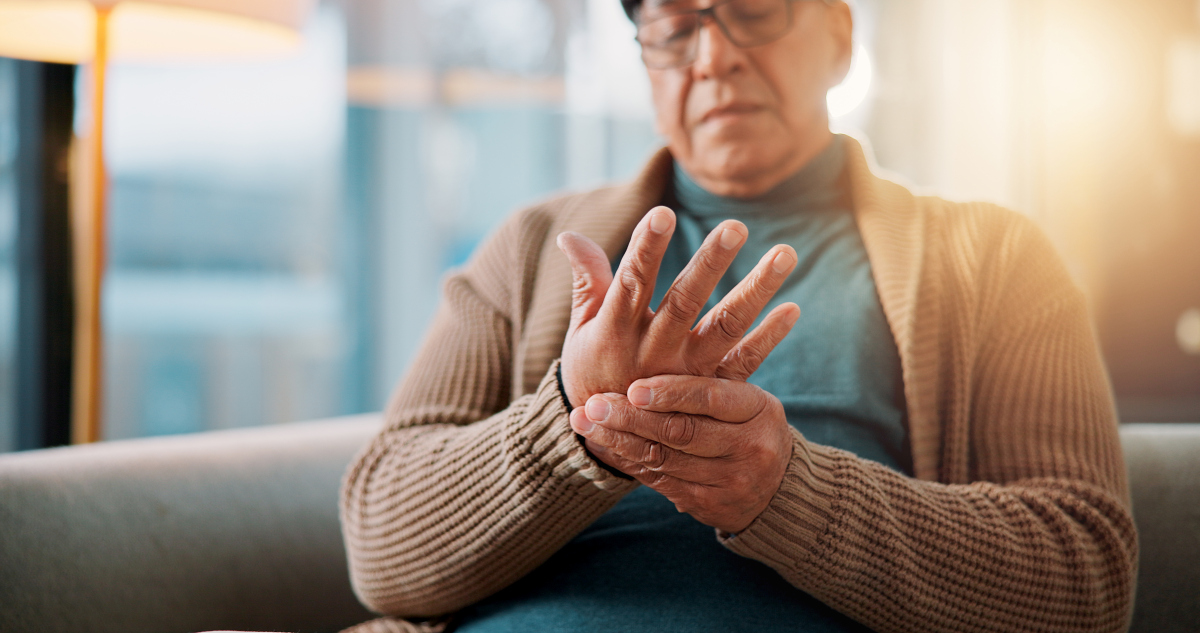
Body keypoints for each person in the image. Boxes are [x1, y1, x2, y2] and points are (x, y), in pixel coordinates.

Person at [339, 0, 1138, 631]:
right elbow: (380, 544)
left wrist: (786, 493)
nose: (714, 56)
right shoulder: (531, 249)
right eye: (674, 25)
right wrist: (577, 425)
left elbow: (1085, 578)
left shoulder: (992, 260)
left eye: (754, 9)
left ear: (839, 39)